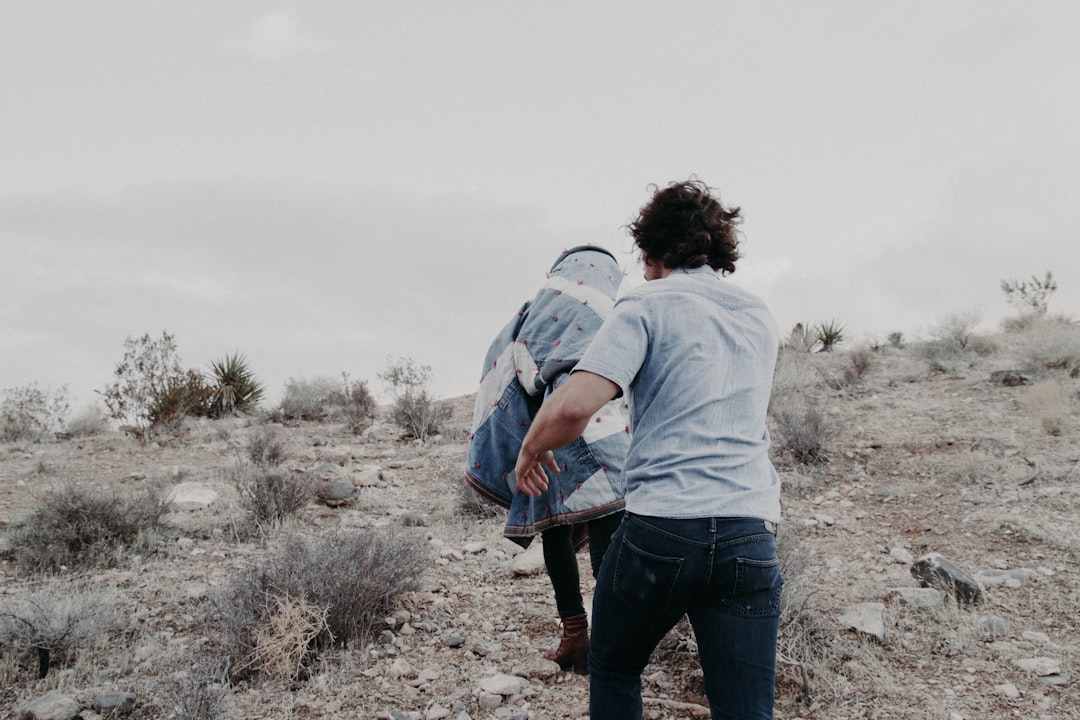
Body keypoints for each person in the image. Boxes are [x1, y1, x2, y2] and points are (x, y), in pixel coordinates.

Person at [514, 180, 783, 719]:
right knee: (746, 709)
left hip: (665, 528)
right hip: (750, 534)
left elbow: (574, 406)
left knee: (614, 667)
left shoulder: (644, 303)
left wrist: (529, 449)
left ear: (654, 249)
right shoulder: (758, 314)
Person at [465, 245, 631, 674]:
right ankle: (613, 643)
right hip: (614, 433)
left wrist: (530, 436)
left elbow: (510, 369)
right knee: (607, 534)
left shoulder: (535, 312)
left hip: (553, 433)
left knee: (556, 527)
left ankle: (575, 636)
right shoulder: (622, 311)